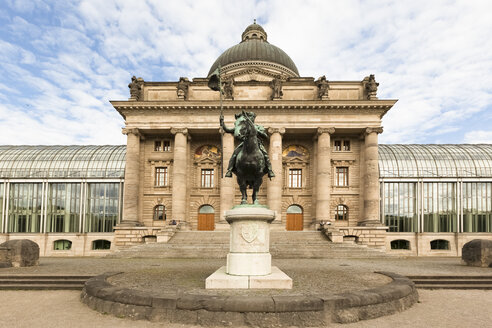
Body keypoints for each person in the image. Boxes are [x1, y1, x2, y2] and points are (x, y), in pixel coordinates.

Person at [220, 111, 275, 178]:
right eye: (250, 117)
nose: (251, 118)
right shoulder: (243, 127)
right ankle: (229, 170)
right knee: (234, 154)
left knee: (265, 155)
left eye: (252, 117)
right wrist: (222, 123)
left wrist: (256, 131)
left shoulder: (259, 127)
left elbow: (266, 136)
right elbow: (228, 130)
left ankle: (270, 170)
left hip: (258, 144)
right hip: (244, 144)